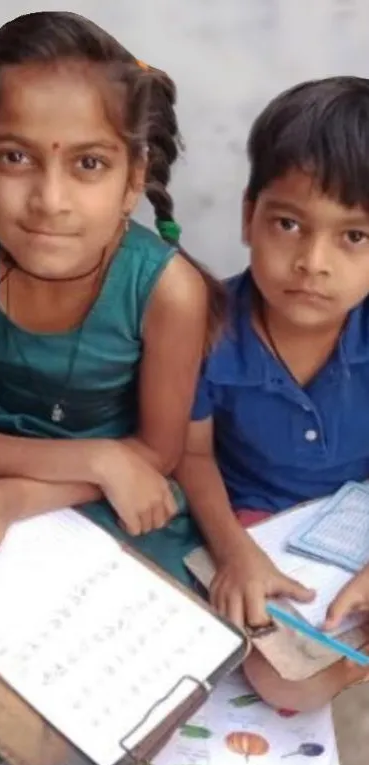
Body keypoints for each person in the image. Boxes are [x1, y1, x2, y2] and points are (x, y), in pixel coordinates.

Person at [0, 10, 225, 581]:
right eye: (15, 157)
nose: (50, 199)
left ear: (133, 180)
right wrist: (91, 455)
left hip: (107, 498)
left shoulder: (167, 292)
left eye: (88, 163)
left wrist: (18, 497)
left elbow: (155, 457)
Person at [176, 76, 369, 707]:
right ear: (247, 216)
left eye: (353, 236)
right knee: (279, 683)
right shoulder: (205, 327)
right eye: (289, 223)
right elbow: (193, 455)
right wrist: (235, 554)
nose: (313, 261)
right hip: (260, 524)